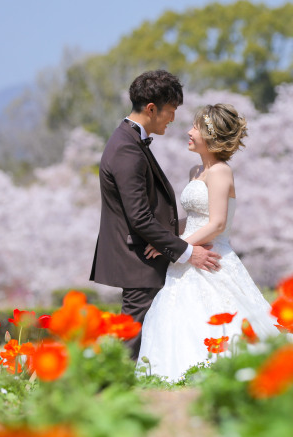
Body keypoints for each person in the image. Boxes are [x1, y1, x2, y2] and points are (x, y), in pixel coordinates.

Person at [138, 103, 292, 380]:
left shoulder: (221, 171)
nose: (188, 131)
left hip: (211, 257)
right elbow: (193, 219)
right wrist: (165, 236)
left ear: (211, 136)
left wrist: (172, 247)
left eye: (195, 127)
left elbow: (217, 223)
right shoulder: (195, 172)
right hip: (187, 256)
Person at [90, 70, 221, 360]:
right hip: (137, 258)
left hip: (144, 254)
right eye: (171, 111)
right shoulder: (127, 148)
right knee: (132, 339)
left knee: (141, 334)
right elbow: (139, 217)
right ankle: (107, 393)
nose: (173, 119)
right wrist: (187, 252)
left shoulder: (130, 140)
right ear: (152, 108)